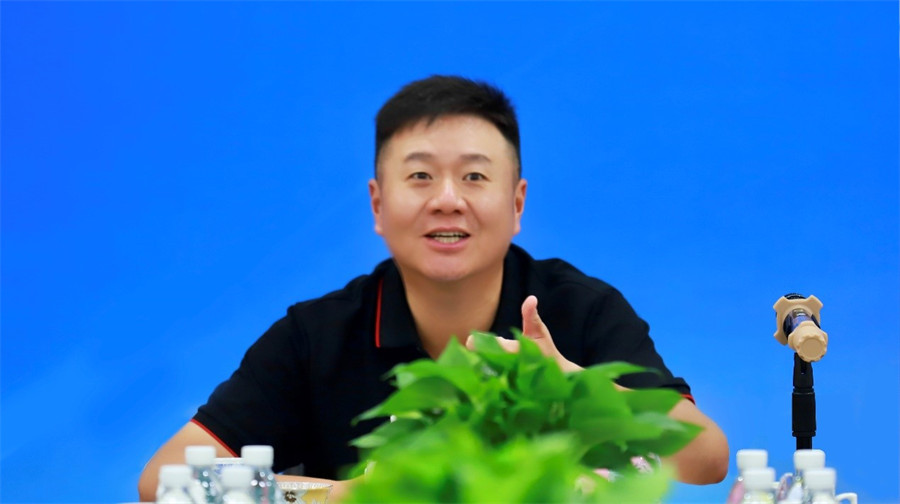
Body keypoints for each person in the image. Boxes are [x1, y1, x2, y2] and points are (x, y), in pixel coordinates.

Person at [138, 75, 729, 501]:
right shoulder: (315, 337)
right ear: (377, 204)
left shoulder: (580, 308)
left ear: (517, 203)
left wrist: (574, 387)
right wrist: (349, 496)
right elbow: (163, 481)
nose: (447, 199)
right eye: (420, 175)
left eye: (474, 176)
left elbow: (708, 460)